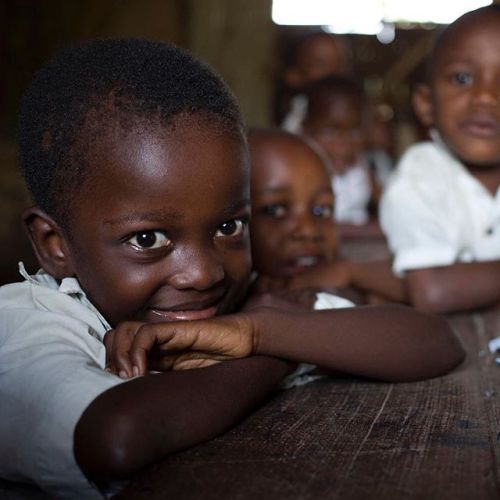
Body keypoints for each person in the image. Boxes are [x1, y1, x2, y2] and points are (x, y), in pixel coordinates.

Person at [0, 39, 463, 499]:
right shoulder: (28, 323)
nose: (204, 274)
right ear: (55, 244)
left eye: (228, 226)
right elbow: (115, 439)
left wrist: (259, 333)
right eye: (148, 239)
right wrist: (269, 355)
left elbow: (435, 342)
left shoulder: (247, 307)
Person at [379, 5, 500, 313]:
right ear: (425, 104)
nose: (486, 96)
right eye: (462, 78)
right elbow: (432, 291)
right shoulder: (420, 178)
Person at [300, 75, 383, 238]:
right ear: (306, 130)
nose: (343, 144)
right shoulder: (302, 175)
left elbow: (386, 204)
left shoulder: (362, 169)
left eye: (354, 132)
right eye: (329, 132)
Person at [279, 32, 351, 132]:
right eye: (320, 64)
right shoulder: (296, 119)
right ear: (294, 75)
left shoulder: (359, 112)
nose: (333, 71)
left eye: (339, 63)